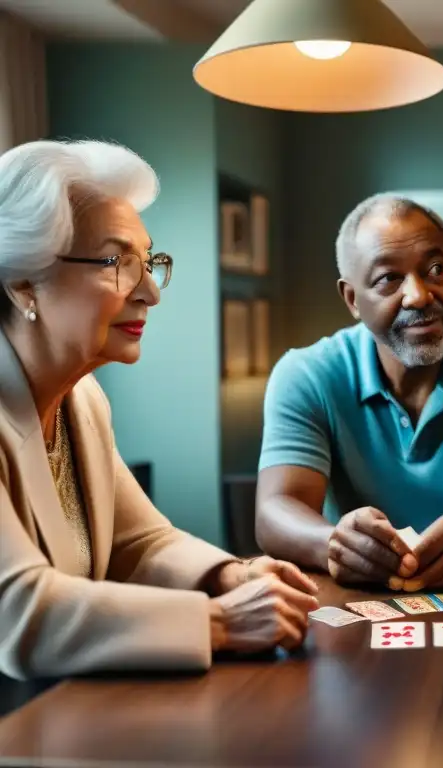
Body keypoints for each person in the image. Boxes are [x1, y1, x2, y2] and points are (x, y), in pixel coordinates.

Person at [0, 140, 320, 680]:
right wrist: (217, 623)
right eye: (117, 263)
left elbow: (139, 543)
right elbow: (18, 612)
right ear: (24, 283)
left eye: (148, 263)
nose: (150, 291)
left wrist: (229, 577)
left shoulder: (83, 399)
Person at [255, 194, 443, 592]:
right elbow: (275, 509)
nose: (419, 295)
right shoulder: (306, 374)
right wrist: (334, 544)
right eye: (389, 279)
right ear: (352, 299)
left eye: (436, 269)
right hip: (357, 602)